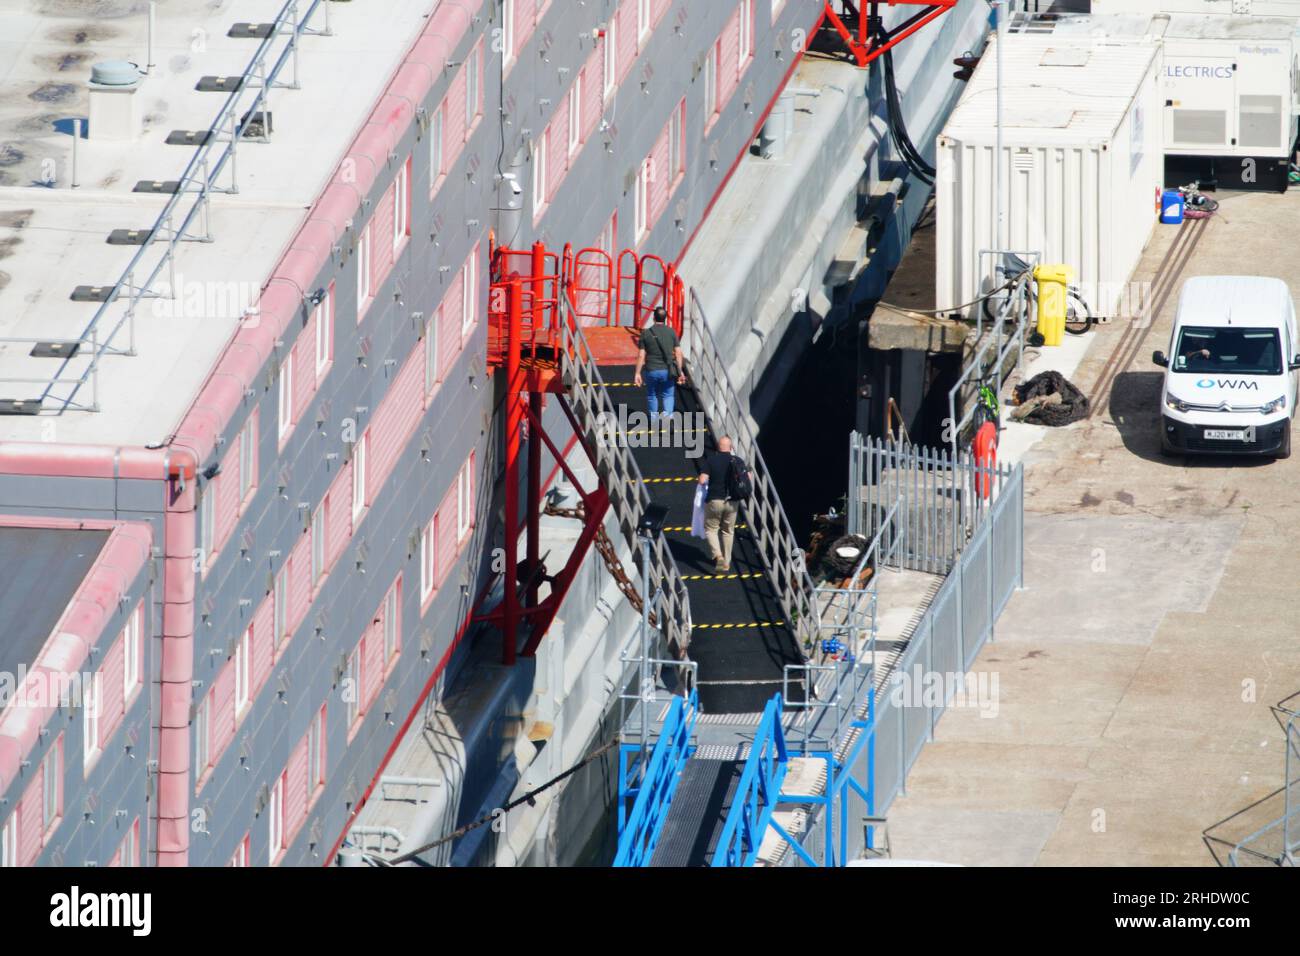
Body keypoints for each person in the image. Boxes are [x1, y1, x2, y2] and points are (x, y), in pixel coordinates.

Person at [633, 306, 686, 417]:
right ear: (665, 318)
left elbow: (641, 355)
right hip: (668, 370)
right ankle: (668, 417)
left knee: (652, 395)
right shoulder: (671, 332)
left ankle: (654, 421)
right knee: (668, 395)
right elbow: (678, 353)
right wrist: (680, 371)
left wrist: (637, 373)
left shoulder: (646, 333)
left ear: (653, 318)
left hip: (651, 370)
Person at [698, 436, 740, 573]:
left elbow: (702, 480)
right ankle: (727, 563)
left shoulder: (711, 460)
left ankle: (718, 555)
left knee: (711, 529)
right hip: (733, 501)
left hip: (715, 500)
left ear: (718, 447)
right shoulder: (738, 461)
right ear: (731, 447)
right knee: (728, 531)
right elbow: (748, 478)